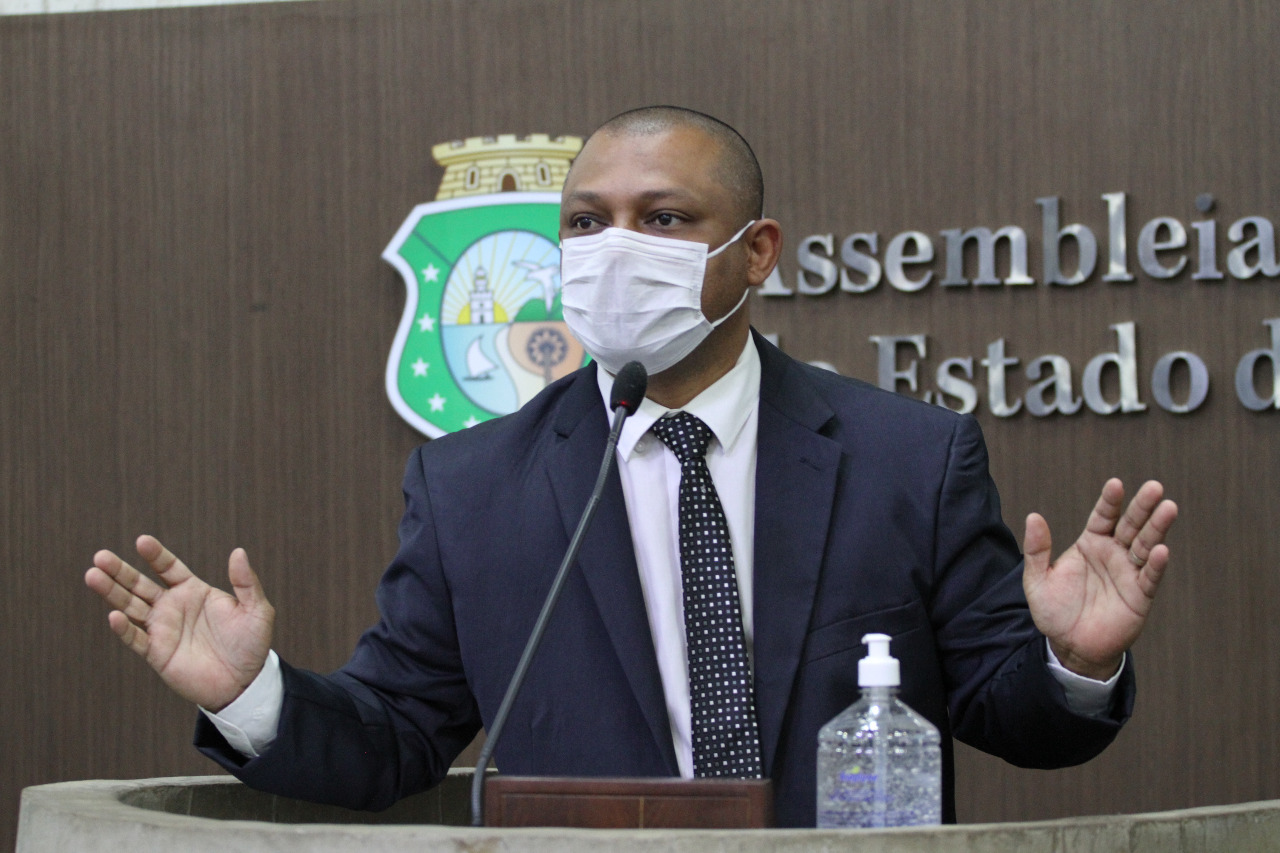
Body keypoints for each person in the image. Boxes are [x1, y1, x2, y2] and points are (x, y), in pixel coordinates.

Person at [84, 106, 1178, 827]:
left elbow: (1009, 717)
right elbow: (398, 738)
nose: (615, 248)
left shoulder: (910, 457)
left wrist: (1073, 663)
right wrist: (254, 696)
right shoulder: (472, 487)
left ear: (755, 250)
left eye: (662, 218)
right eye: (586, 221)